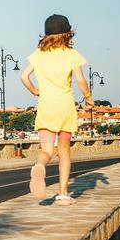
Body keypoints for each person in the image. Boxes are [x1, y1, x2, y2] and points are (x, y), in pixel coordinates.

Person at [20, 14, 94, 206]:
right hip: (64, 107)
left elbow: (24, 77)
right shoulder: (72, 55)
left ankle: (39, 165)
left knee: (46, 150)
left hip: (46, 106)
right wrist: (88, 98)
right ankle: (62, 194)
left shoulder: (38, 54)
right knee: (64, 152)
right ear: (68, 33)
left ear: (46, 34)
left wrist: (35, 91)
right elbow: (80, 81)